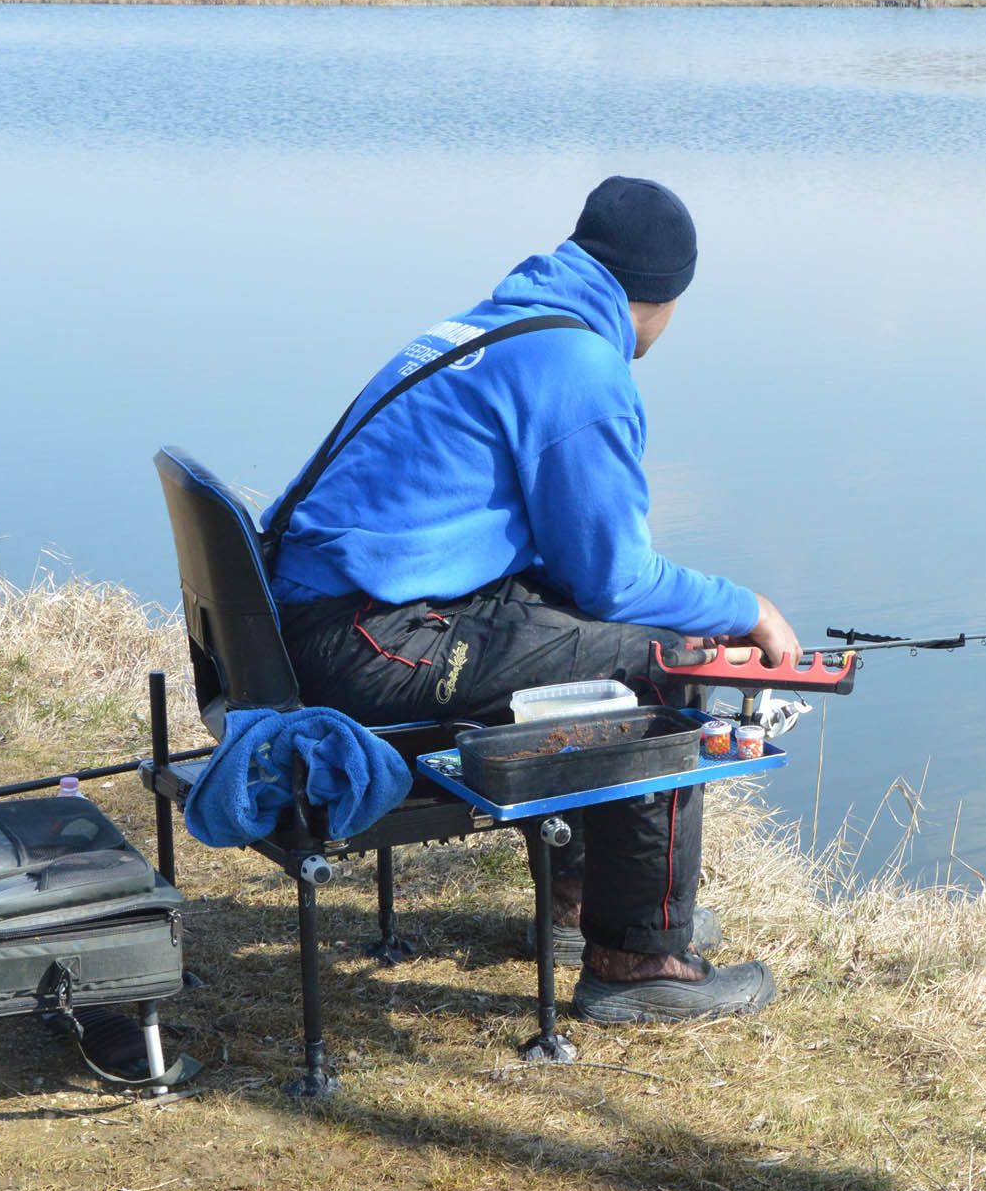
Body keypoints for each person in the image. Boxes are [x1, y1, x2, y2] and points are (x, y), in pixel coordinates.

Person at [267, 176, 800, 1024]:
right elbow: (617, 580)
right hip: (364, 635)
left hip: (309, 620)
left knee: (585, 629)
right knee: (662, 664)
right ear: (663, 298)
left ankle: (581, 906)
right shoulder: (581, 365)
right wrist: (748, 610)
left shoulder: (499, 321)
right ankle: (637, 956)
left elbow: (576, 576)